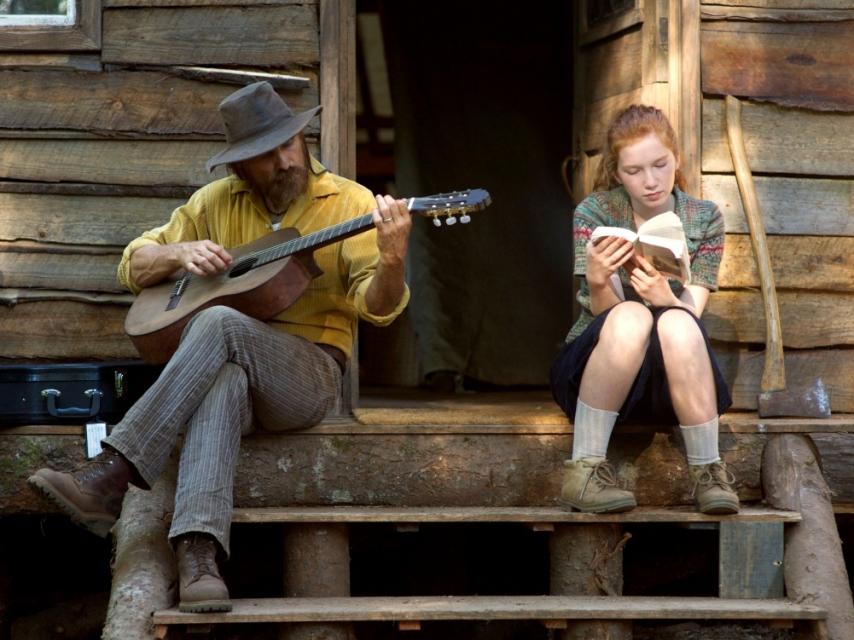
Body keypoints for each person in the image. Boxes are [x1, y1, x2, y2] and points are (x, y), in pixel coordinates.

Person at [28, 81, 412, 612]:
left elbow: (378, 307)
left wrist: (392, 260)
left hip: (308, 374)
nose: (284, 161)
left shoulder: (350, 202)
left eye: (289, 144)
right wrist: (178, 254)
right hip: (229, 370)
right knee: (222, 379)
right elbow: (133, 263)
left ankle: (114, 471)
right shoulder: (213, 202)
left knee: (218, 321)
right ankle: (198, 554)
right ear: (239, 165)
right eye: (266, 154)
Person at [550, 104, 739, 515]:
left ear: (677, 159)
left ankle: (708, 472)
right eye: (634, 171)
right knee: (632, 316)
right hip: (598, 374)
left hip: (672, 379)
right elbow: (606, 318)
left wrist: (665, 298)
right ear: (617, 173)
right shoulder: (595, 212)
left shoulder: (705, 218)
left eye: (660, 165)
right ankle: (584, 471)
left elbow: (693, 309)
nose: (650, 181)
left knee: (676, 321)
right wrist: (598, 281)